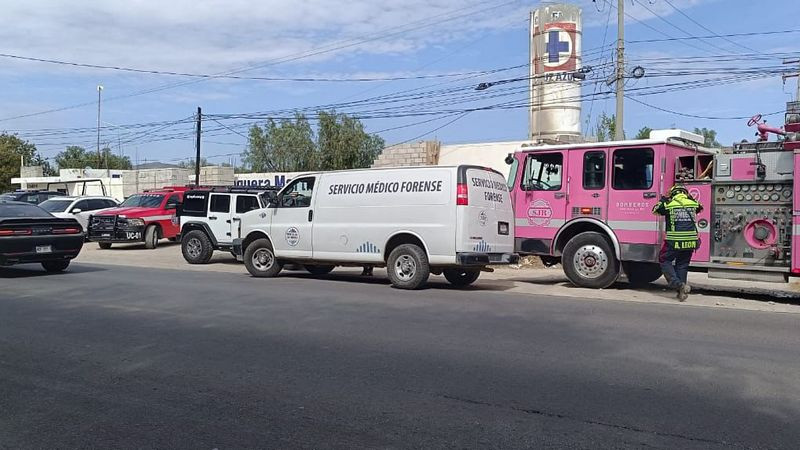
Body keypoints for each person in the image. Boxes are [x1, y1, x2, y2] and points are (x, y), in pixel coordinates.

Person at [652, 184, 703, 301]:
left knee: (664, 259)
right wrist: (690, 198)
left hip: (674, 240)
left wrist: (664, 199)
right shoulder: (693, 203)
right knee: (682, 265)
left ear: (672, 194)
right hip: (690, 241)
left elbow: (655, 210)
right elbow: (700, 208)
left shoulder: (669, 204)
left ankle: (677, 284)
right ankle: (681, 292)